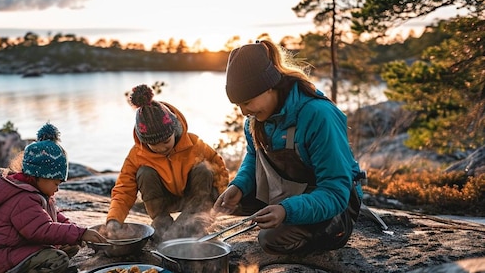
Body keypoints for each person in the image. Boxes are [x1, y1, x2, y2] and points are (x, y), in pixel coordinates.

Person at [213, 40, 364, 254]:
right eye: (238, 105)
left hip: (335, 205)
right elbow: (255, 156)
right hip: (291, 192)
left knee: (271, 239)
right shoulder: (255, 120)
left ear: (269, 85)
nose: (244, 112)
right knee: (231, 202)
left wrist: (287, 211)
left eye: (247, 102)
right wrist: (239, 186)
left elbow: (335, 192)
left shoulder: (318, 115)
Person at [0, 123, 106, 273]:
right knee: (58, 258)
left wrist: (78, 231)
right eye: (56, 182)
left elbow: (52, 217)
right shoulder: (22, 198)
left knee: (70, 244)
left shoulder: (35, 191)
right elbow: (41, 229)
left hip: (21, 250)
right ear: (39, 176)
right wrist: (79, 233)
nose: (58, 188)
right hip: (8, 259)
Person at [106, 84, 229, 242]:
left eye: (165, 141)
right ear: (144, 141)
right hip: (164, 199)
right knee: (144, 172)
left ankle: (194, 218)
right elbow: (123, 190)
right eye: (153, 144)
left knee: (204, 168)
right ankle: (161, 221)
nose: (160, 148)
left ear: (174, 130)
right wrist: (114, 220)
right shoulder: (137, 155)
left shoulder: (194, 144)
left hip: (195, 198)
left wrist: (222, 197)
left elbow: (219, 167)